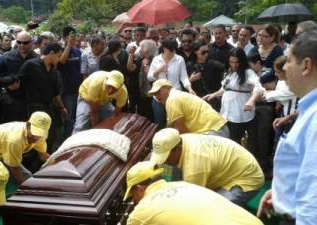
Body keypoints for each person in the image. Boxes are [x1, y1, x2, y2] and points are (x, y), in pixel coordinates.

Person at [257, 31, 317, 225]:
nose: (284, 67)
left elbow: (313, 200)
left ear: (306, 66)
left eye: (289, 60)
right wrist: (281, 193)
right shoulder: (309, 108)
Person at [149, 128, 264, 207]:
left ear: (178, 149)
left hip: (246, 178)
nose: (165, 162)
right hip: (233, 164)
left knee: (214, 212)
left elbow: (195, 203)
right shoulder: (180, 139)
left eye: (166, 158)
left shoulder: (194, 169)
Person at [124, 161, 264, 225]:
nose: (134, 201)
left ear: (140, 188)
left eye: (132, 195)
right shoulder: (182, 184)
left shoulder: (140, 213)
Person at [0, 111, 51, 185]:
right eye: (34, 133)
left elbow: (43, 155)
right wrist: (28, 189)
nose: (36, 138)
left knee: (27, 178)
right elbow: (15, 169)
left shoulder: (40, 137)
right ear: (27, 125)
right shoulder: (15, 140)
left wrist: (60, 165)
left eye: (40, 134)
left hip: (3, 154)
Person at [204, 48, 263, 144]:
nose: (234, 65)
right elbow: (225, 88)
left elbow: (258, 88)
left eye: (237, 62)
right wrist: (213, 94)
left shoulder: (248, 73)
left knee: (234, 142)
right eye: (231, 62)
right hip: (226, 113)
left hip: (239, 115)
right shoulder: (229, 72)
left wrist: (251, 100)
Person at [18, 43, 67, 150]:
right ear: (51, 53)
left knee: (52, 135)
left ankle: (45, 157)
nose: (59, 59)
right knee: (35, 136)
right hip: (33, 107)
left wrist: (62, 107)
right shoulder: (30, 65)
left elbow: (56, 92)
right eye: (58, 56)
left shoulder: (54, 71)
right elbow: (18, 83)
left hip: (49, 107)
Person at [148, 79, 228, 136]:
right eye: (154, 94)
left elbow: (180, 130)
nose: (157, 96)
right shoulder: (177, 95)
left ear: (168, 88)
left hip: (212, 132)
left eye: (158, 92)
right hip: (218, 129)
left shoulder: (172, 99)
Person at [0, 31, 38, 123]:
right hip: (10, 101)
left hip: (30, 102)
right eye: (19, 42)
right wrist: (5, 84)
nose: (21, 45)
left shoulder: (37, 58)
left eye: (25, 43)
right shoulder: (7, 57)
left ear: (31, 42)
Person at [147, 38, 193, 128]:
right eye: (170, 50)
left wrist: (190, 89)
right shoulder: (156, 59)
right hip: (159, 98)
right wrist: (158, 72)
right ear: (164, 48)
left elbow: (184, 77)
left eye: (174, 49)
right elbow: (150, 77)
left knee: (176, 125)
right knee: (160, 124)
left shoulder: (179, 59)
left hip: (175, 97)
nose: (173, 52)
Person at [186, 40, 225, 110]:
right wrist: (190, 80)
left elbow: (226, 72)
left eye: (207, 51)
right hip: (196, 101)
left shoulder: (214, 64)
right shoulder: (189, 65)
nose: (206, 54)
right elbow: (183, 82)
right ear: (195, 52)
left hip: (212, 100)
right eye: (203, 52)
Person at [58, 26, 82, 138]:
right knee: (68, 117)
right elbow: (62, 61)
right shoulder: (59, 50)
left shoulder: (78, 51)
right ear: (64, 38)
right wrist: (68, 45)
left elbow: (80, 69)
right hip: (66, 91)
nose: (72, 39)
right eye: (70, 37)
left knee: (76, 116)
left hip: (77, 89)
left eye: (74, 36)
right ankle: (67, 139)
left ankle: (73, 137)